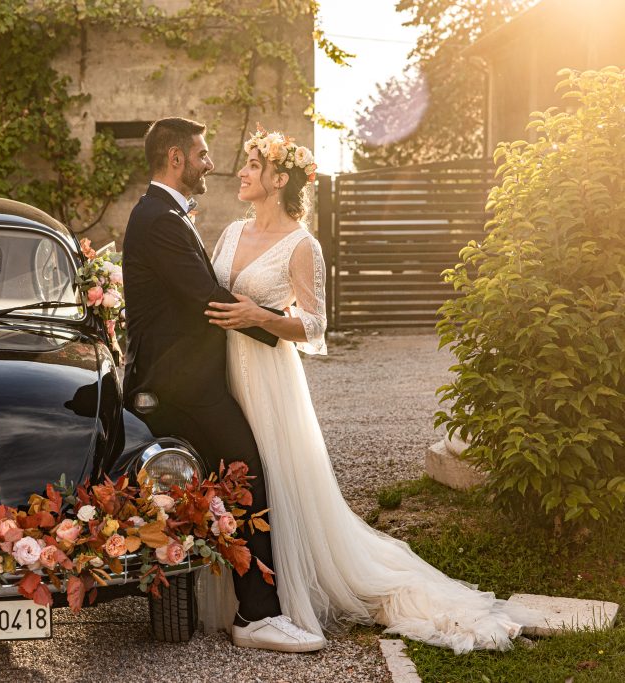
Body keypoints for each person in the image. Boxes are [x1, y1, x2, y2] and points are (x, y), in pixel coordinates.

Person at [200, 125, 533, 654]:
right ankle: (237, 586)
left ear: (279, 177)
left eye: (253, 165)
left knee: (272, 473)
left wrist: (260, 316)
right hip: (220, 371)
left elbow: (314, 325)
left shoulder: (302, 245)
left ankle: (283, 590)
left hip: (268, 376)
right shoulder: (231, 233)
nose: (241, 172)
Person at [122, 117, 326, 652]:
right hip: (182, 383)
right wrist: (265, 329)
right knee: (245, 476)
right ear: (175, 159)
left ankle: (235, 605)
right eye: (203, 154)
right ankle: (256, 615)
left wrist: (270, 331)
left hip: (195, 375)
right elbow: (206, 298)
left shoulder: (164, 213)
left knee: (225, 482)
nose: (213, 163)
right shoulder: (161, 219)